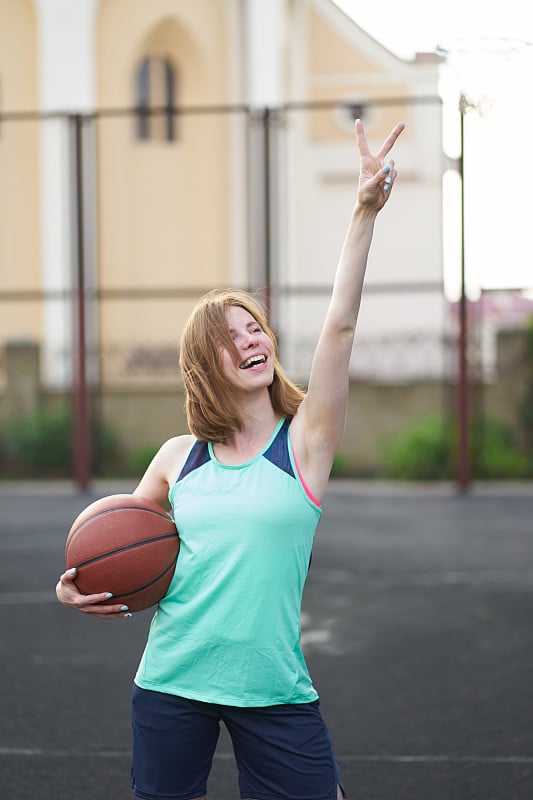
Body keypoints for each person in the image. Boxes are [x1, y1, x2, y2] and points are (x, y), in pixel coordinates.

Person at [56, 118, 405, 800]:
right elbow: (117, 542)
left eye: (256, 327)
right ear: (203, 364)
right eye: (230, 336)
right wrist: (73, 583)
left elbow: (339, 324)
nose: (251, 339)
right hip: (169, 682)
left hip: (272, 687)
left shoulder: (305, 441)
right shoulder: (176, 459)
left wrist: (363, 210)